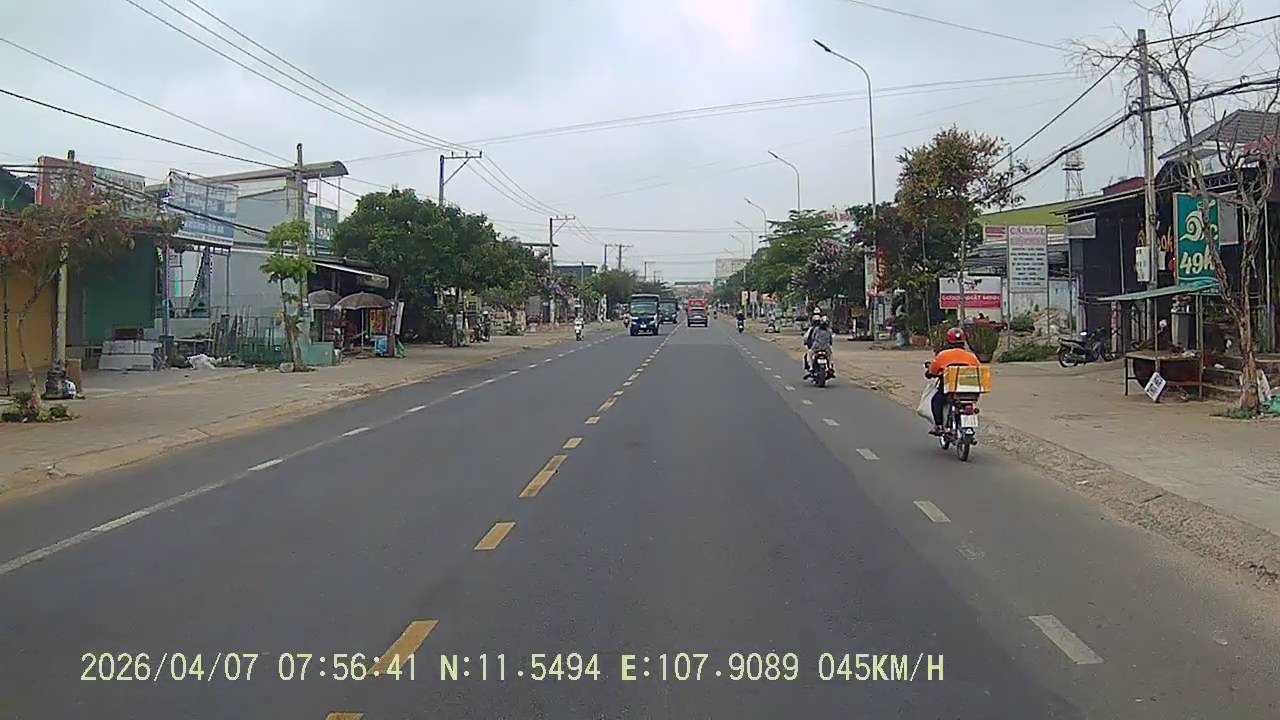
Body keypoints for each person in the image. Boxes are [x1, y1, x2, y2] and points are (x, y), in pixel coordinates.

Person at [925, 327, 981, 436]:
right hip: (969, 390)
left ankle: (939, 426)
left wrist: (929, 373)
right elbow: (978, 370)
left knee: (936, 401)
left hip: (949, 390)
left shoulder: (943, 355)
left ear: (948, 341)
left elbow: (933, 370)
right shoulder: (971, 356)